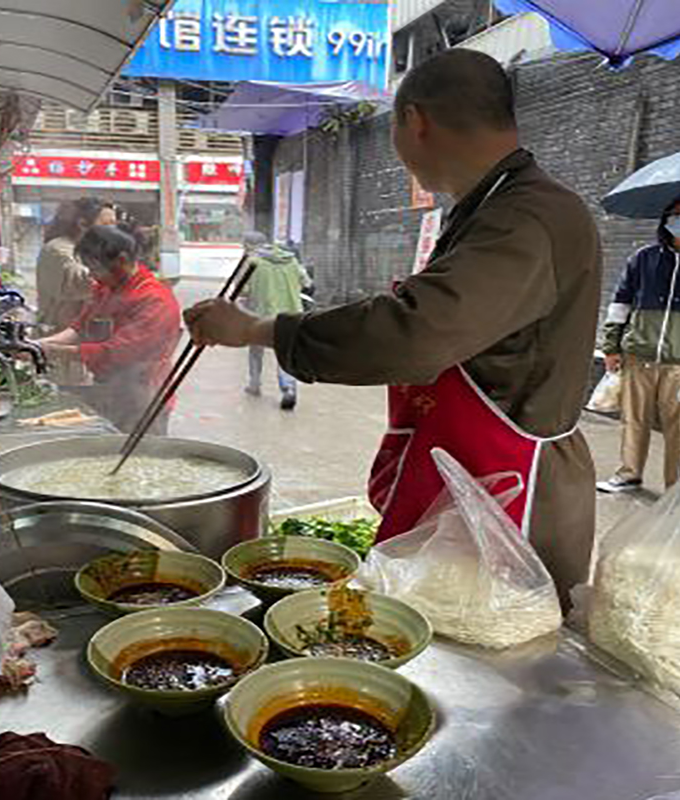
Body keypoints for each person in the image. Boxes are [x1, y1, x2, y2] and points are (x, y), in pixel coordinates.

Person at [184, 49, 602, 611]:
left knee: (498, 662)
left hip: (516, 491)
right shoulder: (495, 206)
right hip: (475, 470)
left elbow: (416, 333)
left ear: (415, 121)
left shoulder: (528, 216)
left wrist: (257, 329)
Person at [38, 226, 181, 434]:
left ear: (121, 260)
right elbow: (81, 326)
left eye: (95, 269)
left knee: (141, 458)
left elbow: (116, 353)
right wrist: (40, 345)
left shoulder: (154, 299)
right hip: (111, 389)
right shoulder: (107, 288)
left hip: (145, 396)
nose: (93, 277)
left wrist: (52, 351)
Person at [597, 197, 680, 493]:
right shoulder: (643, 258)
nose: (679, 221)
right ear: (665, 219)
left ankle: (676, 490)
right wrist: (611, 346)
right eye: (675, 214)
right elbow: (619, 304)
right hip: (638, 356)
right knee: (633, 420)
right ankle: (629, 474)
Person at [242, 231, 312, 410]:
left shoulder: (252, 262)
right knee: (285, 353)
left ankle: (255, 384)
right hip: (291, 316)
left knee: (255, 350)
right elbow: (306, 283)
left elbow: (242, 290)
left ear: (249, 245)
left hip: (262, 315)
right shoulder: (291, 259)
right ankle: (288, 388)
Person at [36, 198, 117, 333]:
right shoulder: (57, 249)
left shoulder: (93, 249)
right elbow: (82, 281)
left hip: (84, 336)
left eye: (114, 224)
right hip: (57, 336)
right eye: (106, 224)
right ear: (82, 224)